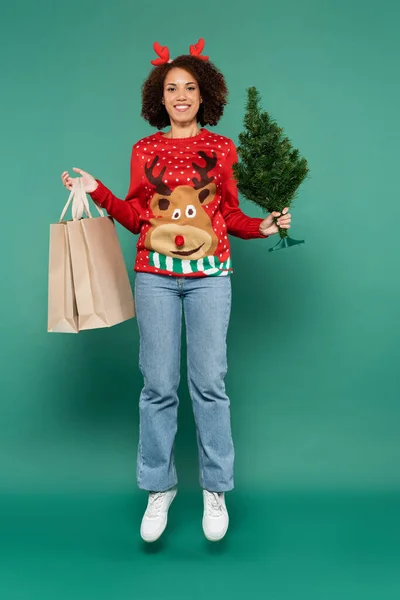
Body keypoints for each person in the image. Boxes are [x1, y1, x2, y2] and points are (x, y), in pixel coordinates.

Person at [61, 39, 291, 543]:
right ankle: (158, 487)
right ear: (159, 98)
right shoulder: (144, 150)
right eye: (172, 88)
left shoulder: (222, 148)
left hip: (211, 277)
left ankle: (216, 488)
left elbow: (227, 216)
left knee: (210, 384)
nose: (181, 96)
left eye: (189, 87)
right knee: (158, 386)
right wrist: (97, 191)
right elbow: (137, 215)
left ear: (203, 94)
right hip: (155, 276)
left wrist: (263, 226)